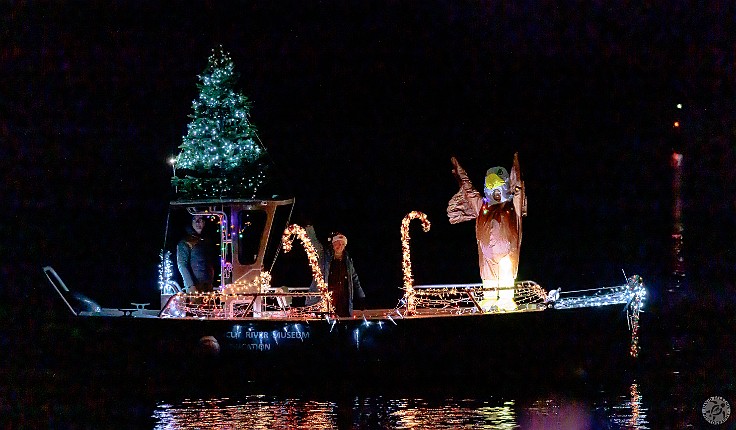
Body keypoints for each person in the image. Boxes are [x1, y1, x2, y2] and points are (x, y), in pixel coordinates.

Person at [447, 154, 527, 311]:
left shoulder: (512, 208)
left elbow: (518, 189)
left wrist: (516, 167)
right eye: (493, 190)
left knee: (505, 271)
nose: (496, 194)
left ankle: (505, 299)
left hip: (507, 255)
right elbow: (469, 191)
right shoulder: (482, 206)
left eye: (499, 189)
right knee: (488, 276)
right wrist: (460, 172)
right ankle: (489, 298)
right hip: (487, 256)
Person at [306, 225, 365, 317]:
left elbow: (354, 278)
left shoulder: (348, 260)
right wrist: (309, 228)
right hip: (326, 300)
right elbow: (314, 243)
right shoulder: (323, 256)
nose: (340, 246)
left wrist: (361, 296)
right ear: (333, 244)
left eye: (342, 244)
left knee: (343, 323)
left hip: (343, 300)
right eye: (337, 243)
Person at [177, 215, 216, 293]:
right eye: (195, 219)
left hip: (208, 286)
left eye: (201, 219)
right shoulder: (186, 242)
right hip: (195, 288)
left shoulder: (207, 240)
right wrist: (190, 286)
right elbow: (182, 265)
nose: (198, 222)